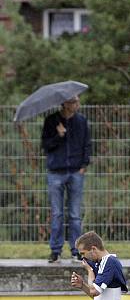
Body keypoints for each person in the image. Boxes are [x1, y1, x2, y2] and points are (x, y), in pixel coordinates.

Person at [42, 96, 91, 263]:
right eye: (74, 102)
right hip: (56, 172)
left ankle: (77, 251)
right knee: (57, 214)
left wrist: (84, 165)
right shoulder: (51, 121)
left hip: (76, 172)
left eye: (77, 101)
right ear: (65, 103)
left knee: (75, 215)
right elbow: (45, 146)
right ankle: (55, 251)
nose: (77, 105)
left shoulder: (81, 121)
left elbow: (87, 144)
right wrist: (59, 135)